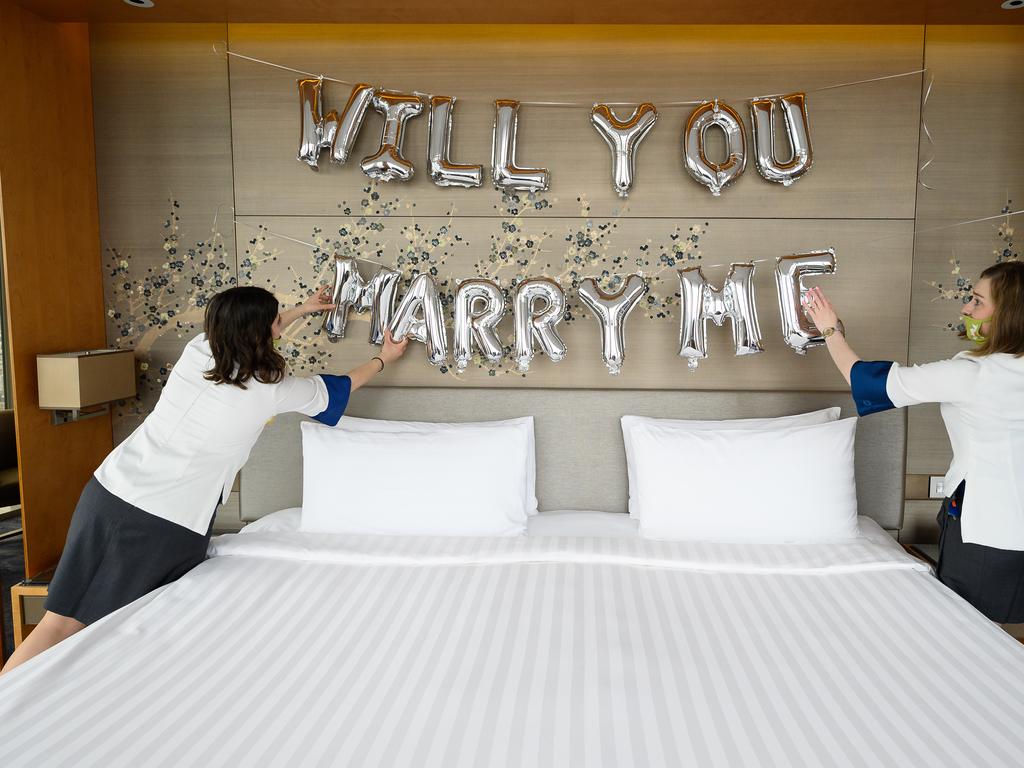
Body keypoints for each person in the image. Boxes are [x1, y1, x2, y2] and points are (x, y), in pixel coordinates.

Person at [1, 285, 408, 675]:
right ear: (263, 331)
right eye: (276, 320)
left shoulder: (197, 351)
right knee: (105, 632)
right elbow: (338, 389)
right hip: (163, 521)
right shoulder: (271, 388)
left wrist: (303, 310)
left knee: (59, 623)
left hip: (109, 493)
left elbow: (251, 325)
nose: (279, 323)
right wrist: (383, 358)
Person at [803, 260, 1024, 623]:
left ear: (1010, 315)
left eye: (977, 302)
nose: (965, 309)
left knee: (968, 632)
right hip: (1008, 532)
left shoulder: (972, 374)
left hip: (985, 531)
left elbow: (869, 383)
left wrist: (830, 330)